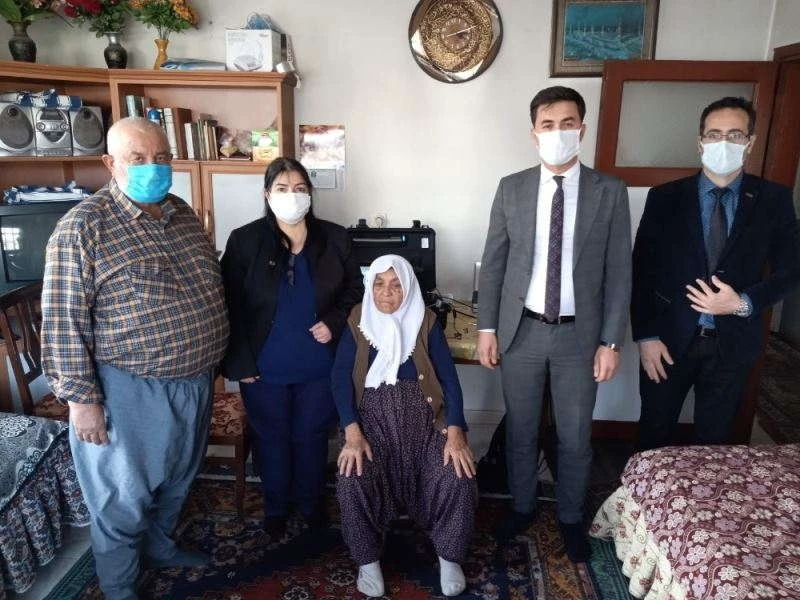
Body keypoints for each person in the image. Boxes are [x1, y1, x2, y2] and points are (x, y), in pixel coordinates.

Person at [41, 117, 229, 600]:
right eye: (138, 158)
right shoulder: (82, 228)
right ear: (110, 163)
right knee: (121, 498)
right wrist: (81, 401)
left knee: (178, 480)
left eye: (162, 157)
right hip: (128, 388)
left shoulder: (181, 213)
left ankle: (161, 549)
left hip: (194, 380)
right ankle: (120, 587)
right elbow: (62, 322)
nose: (153, 167)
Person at [477, 86, 631, 562]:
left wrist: (611, 341)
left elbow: (619, 272)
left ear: (582, 129)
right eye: (548, 125)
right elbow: (494, 263)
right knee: (521, 429)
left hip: (579, 337)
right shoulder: (512, 188)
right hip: (520, 332)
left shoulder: (610, 191)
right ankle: (522, 506)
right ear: (534, 133)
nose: (558, 132)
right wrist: (486, 328)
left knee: (575, 436)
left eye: (567, 124)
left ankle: (570, 518)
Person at [632, 96, 800, 449]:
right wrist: (646, 336)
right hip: (668, 340)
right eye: (714, 134)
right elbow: (642, 270)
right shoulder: (665, 197)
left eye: (735, 135)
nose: (724, 142)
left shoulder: (774, 199)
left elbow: (791, 270)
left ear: (750, 142)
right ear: (700, 142)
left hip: (732, 345)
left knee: (715, 442)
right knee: (653, 433)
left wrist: (742, 302)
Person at [221, 157, 363, 539]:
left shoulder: (335, 238)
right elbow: (228, 304)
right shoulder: (245, 240)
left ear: (310, 194)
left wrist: (334, 321)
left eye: (299, 188)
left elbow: (355, 291)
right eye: (282, 189)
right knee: (271, 440)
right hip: (263, 367)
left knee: (312, 437)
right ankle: (276, 508)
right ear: (267, 194)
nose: (292, 196)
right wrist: (239, 363)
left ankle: (311, 504)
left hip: (319, 365)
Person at [333, 254, 478, 598]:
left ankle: (449, 557)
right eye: (380, 284)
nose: (387, 292)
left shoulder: (425, 321)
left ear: (409, 288)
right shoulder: (357, 319)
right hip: (372, 430)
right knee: (351, 479)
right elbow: (339, 378)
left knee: (458, 476)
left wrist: (455, 431)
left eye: (396, 285)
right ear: (370, 287)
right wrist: (352, 432)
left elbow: (449, 380)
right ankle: (367, 560)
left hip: (427, 428)